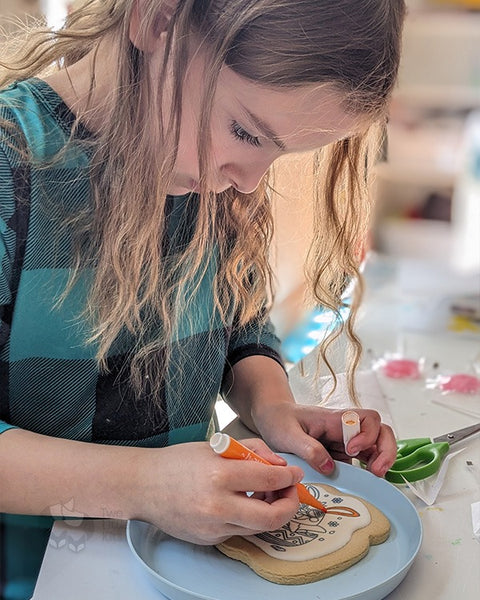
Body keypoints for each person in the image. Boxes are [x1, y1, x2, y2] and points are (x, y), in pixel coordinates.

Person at [0, 1, 406, 598]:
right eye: (245, 131)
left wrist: (271, 406)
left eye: (280, 154)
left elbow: (237, 320)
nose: (248, 179)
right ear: (157, 20)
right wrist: (144, 487)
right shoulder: (13, 169)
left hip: (180, 567)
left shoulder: (204, 173)